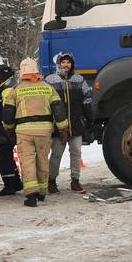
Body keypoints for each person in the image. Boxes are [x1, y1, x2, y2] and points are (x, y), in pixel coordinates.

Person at [2, 58, 69, 207]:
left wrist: (8, 127)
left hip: (24, 132)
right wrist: (63, 128)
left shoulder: (16, 90)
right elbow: (58, 110)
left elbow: (8, 112)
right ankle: (42, 192)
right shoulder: (47, 88)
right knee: (42, 160)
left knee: (27, 161)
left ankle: (31, 194)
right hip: (44, 131)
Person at [45, 52, 95, 193]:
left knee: (76, 153)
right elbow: (46, 102)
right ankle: (51, 181)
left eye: (68, 62)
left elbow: (87, 100)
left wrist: (89, 119)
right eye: (63, 62)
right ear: (59, 64)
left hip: (76, 124)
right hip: (59, 126)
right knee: (56, 154)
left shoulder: (79, 80)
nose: (66, 65)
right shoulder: (50, 80)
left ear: (72, 64)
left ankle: (75, 181)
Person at [0, 63, 23, 196]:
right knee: (7, 158)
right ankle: (16, 182)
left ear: (2, 77)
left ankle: (10, 185)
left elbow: (7, 112)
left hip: (5, 132)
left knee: (3, 159)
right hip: (3, 131)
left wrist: (4, 132)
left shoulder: (6, 90)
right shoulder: (2, 89)